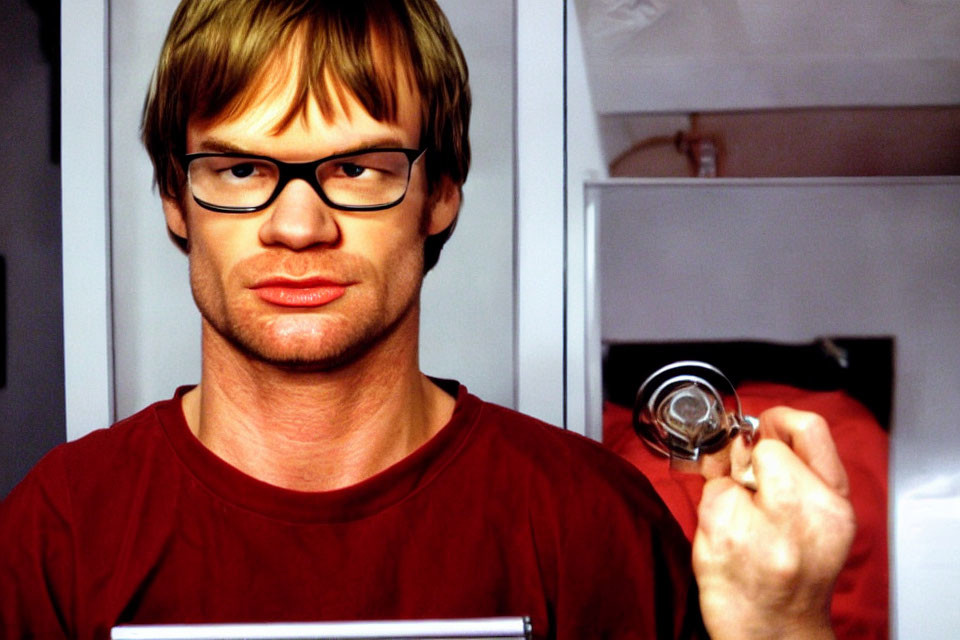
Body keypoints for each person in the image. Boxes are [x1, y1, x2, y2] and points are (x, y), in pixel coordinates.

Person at [0, 1, 855, 638]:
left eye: (361, 167)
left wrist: (782, 629)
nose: (299, 226)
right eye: (238, 169)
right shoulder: (62, 531)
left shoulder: (596, 524)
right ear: (175, 199)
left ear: (440, 194)